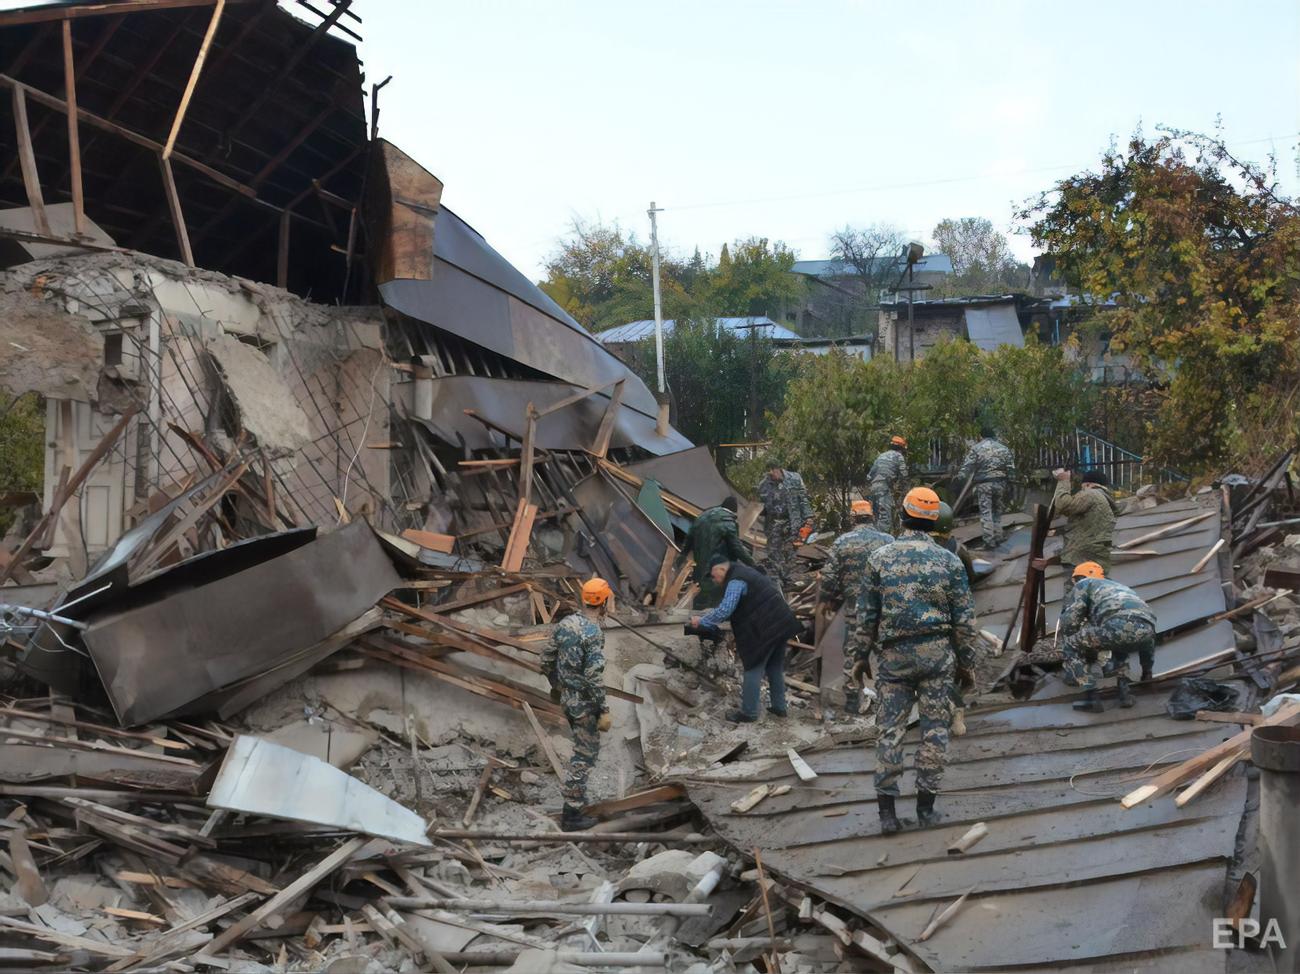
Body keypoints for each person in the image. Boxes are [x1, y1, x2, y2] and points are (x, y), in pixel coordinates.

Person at [858, 487, 981, 833]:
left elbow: (866, 616)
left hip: (894, 659)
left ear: (902, 515)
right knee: (934, 733)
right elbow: (964, 620)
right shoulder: (950, 560)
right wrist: (966, 662)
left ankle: (887, 815)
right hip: (937, 658)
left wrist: (858, 658)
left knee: (890, 732)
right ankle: (926, 809)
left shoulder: (880, 558)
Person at [691, 554, 802, 724]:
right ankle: (779, 708)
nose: (714, 580)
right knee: (774, 667)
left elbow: (725, 609)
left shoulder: (736, 580)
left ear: (721, 568)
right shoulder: (747, 572)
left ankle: (749, 713)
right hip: (781, 623)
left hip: (766, 627)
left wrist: (702, 621)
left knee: (752, 668)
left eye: (714, 576)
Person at [542, 577, 615, 830]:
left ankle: (575, 805)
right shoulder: (592, 633)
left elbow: (546, 658)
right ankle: (571, 814)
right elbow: (593, 676)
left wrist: (556, 685)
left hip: (567, 699)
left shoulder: (566, 623)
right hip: (584, 704)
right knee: (584, 755)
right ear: (603, 602)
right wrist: (603, 708)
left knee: (581, 752)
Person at [818, 499, 893, 715]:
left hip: (855, 612)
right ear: (871, 517)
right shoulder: (888, 541)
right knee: (886, 652)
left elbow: (829, 580)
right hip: (884, 610)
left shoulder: (841, 543)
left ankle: (852, 700)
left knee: (853, 654)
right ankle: (889, 697)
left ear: (852, 517)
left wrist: (827, 600)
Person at [1059, 562, 1156, 712]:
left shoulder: (1085, 583)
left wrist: (1073, 649)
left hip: (1118, 625)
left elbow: (1070, 621)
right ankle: (1125, 696)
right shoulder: (1119, 587)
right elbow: (1147, 644)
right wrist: (1146, 672)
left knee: (1070, 645)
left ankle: (1091, 698)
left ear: (1080, 577)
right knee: (1119, 645)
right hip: (1148, 627)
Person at [932, 501, 976, 736]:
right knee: (957, 662)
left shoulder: (918, 551)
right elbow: (971, 580)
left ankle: (946, 708)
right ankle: (957, 707)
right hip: (958, 615)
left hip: (929, 617)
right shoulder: (959, 550)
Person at [676, 496, 754, 608]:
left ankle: (694, 615)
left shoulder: (702, 517)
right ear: (733, 511)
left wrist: (682, 556)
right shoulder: (729, 523)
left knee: (698, 591)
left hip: (699, 563)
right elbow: (737, 548)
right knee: (714, 597)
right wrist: (752, 564)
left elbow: (689, 538)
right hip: (716, 566)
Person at [1052, 468, 1120, 594]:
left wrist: (1063, 481)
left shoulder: (1091, 494)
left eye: (1082, 487)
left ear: (1088, 484)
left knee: (1075, 601)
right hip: (1096, 560)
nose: (1081, 491)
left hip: (1080, 560)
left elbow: (1064, 506)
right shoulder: (1105, 500)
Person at [755, 461, 813, 586]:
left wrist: (808, 516)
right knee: (773, 550)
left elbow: (803, 499)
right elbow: (762, 504)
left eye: (772, 470)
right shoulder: (764, 484)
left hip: (792, 521)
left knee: (790, 550)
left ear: (778, 469)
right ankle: (776, 579)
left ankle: (788, 578)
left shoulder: (795, 479)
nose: (770, 474)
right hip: (773, 522)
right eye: (768, 471)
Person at [956, 429, 1016, 548]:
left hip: (984, 484)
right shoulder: (1003, 448)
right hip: (1000, 483)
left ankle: (989, 541)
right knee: (997, 511)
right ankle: (998, 536)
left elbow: (968, 466)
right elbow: (1010, 468)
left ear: (981, 435)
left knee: (986, 512)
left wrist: (960, 477)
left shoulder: (977, 448)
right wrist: (1011, 481)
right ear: (994, 435)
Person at [867, 435, 909, 534]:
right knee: (885, 519)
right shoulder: (899, 457)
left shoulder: (881, 456)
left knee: (876, 517)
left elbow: (869, 475)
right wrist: (906, 491)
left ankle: (874, 538)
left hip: (873, 489)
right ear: (901, 449)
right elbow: (904, 475)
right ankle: (883, 542)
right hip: (884, 490)